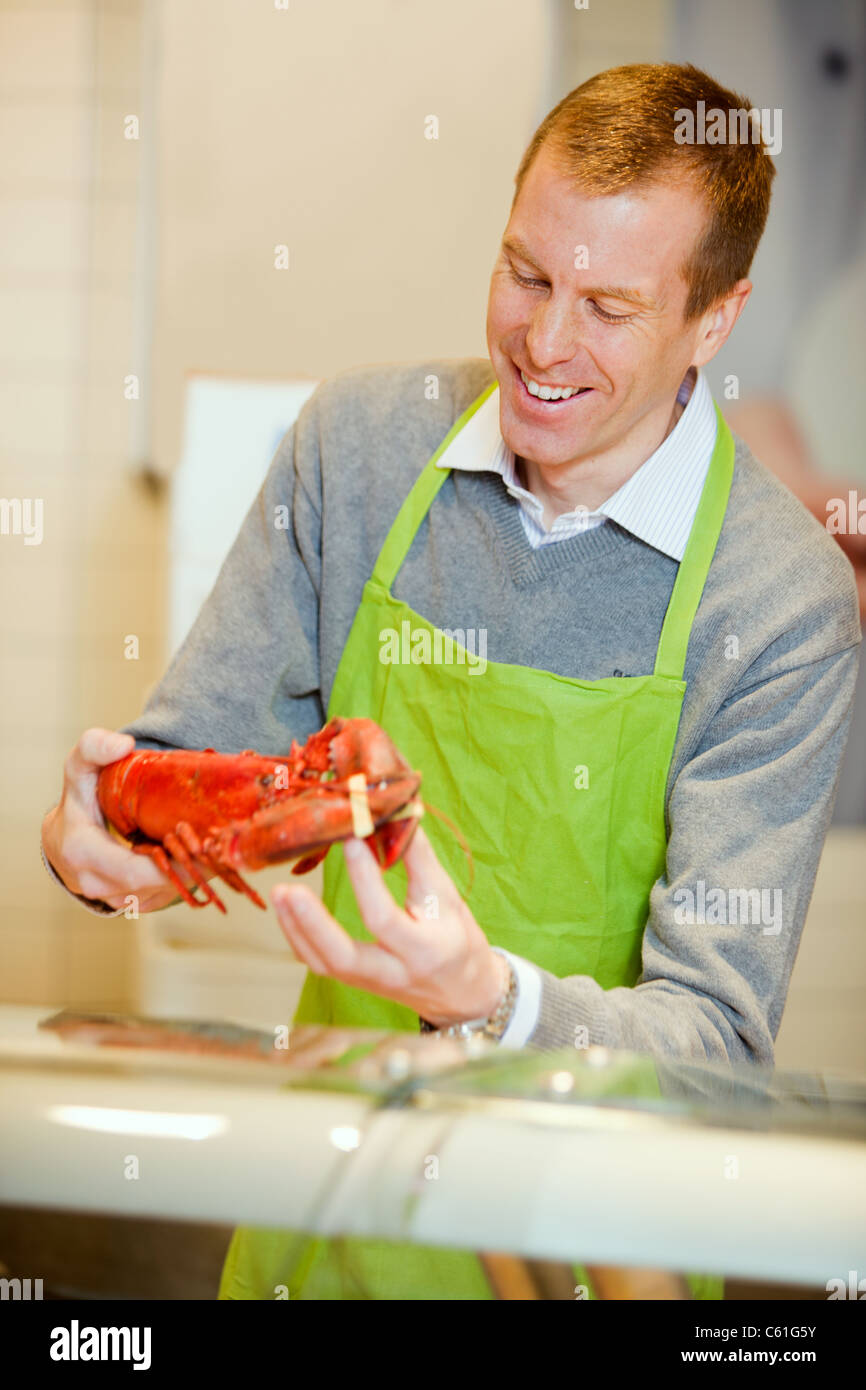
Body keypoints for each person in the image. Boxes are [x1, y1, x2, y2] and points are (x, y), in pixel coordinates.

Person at [41, 63, 860, 1300]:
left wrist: (488, 1001)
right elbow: (190, 766)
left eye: (608, 306)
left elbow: (714, 1042)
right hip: (317, 1210)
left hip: (586, 1250)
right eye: (526, 272)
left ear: (714, 317)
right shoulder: (358, 448)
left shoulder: (779, 601)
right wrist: (102, 841)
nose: (541, 341)